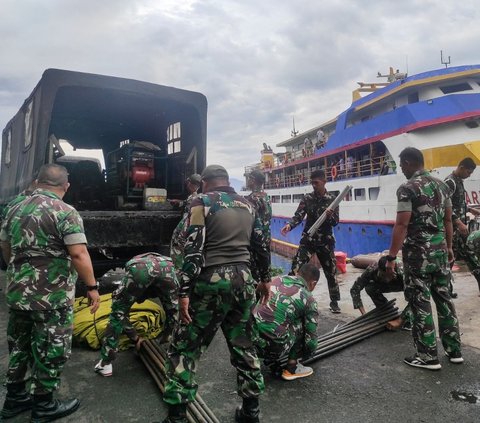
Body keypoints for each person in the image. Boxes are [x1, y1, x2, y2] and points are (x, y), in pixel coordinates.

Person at [162, 165, 271, 423]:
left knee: (185, 347)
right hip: (243, 280)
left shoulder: (201, 201)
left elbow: (194, 248)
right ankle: (251, 412)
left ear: (206, 183)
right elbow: (262, 244)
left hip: (210, 281)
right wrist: (265, 279)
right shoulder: (249, 204)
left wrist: (184, 292)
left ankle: (177, 418)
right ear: (226, 181)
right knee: (244, 345)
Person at [0, 164, 100, 421]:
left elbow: (6, 248)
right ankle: (43, 405)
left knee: (20, 345)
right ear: (65, 186)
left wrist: (21, 274)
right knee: (51, 348)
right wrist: (91, 287)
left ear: (37, 182)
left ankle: (15, 398)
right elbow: (78, 253)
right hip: (51, 297)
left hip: (18, 293)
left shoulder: (14, 208)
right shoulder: (65, 212)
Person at [386, 147, 462, 370]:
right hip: (440, 254)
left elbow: (402, 224)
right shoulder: (443, 186)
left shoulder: (407, 189)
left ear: (409, 162)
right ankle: (454, 350)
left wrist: (391, 257)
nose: (401, 170)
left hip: (418, 256)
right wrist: (449, 248)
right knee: (444, 299)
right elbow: (448, 221)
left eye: (401, 165)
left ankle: (428, 356)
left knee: (419, 301)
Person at [94, 253, 179, 377]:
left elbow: (121, 313)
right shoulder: (163, 262)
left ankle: (106, 364)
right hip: (168, 269)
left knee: (118, 312)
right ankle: (169, 347)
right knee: (174, 312)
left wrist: (135, 337)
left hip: (140, 269)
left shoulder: (138, 263)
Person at [280, 169, 341, 313]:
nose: (314, 185)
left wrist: (330, 216)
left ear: (324, 182)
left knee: (331, 272)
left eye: (316, 183)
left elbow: (335, 222)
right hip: (308, 239)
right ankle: (289, 297)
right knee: (296, 267)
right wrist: (290, 225)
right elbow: (299, 216)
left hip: (325, 241)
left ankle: (334, 302)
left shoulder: (332, 200)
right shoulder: (307, 198)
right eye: (312, 183)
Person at [254, 264, 319, 381]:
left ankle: (266, 358)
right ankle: (292, 367)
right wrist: (308, 354)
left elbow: (259, 292)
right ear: (313, 283)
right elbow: (311, 343)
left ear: (297, 274)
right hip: (274, 348)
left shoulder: (277, 279)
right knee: (302, 323)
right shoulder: (308, 299)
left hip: (250, 342)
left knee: (272, 318)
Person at [444, 157, 480, 294]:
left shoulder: (459, 181)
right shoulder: (450, 182)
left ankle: (446, 290)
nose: (469, 175)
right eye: (469, 172)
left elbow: (459, 203)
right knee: (450, 259)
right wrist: (458, 223)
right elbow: (445, 207)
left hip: (460, 230)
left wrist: (471, 209)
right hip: (453, 230)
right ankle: (446, 290)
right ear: (462, 167)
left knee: (469, 256)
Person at [350, 256, 413, 330]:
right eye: (383, 275)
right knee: (370, 287)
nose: (387, 279)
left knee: (414, 297)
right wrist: (364, 314)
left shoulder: (403, 271)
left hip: (400, 284)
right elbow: (355, 289)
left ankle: (408, 318)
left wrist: (399, 320)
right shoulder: (372, 269)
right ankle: (386, 310)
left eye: (389, 276)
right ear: (378, 270)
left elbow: (418, 296)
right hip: (386, 284)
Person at [245, 170, 272, 287]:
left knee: (254, 276)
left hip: (255, 241)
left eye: (249, 178)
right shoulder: (266, 196)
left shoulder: (251, 198)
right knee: (265, 271)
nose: (248, 181)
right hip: (266, 240)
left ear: (253, 180)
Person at [170, 174, 202, 269]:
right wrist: (178, 202)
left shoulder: (195, 198)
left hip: (186, 227)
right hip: (191, 227)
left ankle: (179, 269)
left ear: (189, 183)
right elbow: (186, 203)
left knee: (178, 245)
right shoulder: (196, 196)